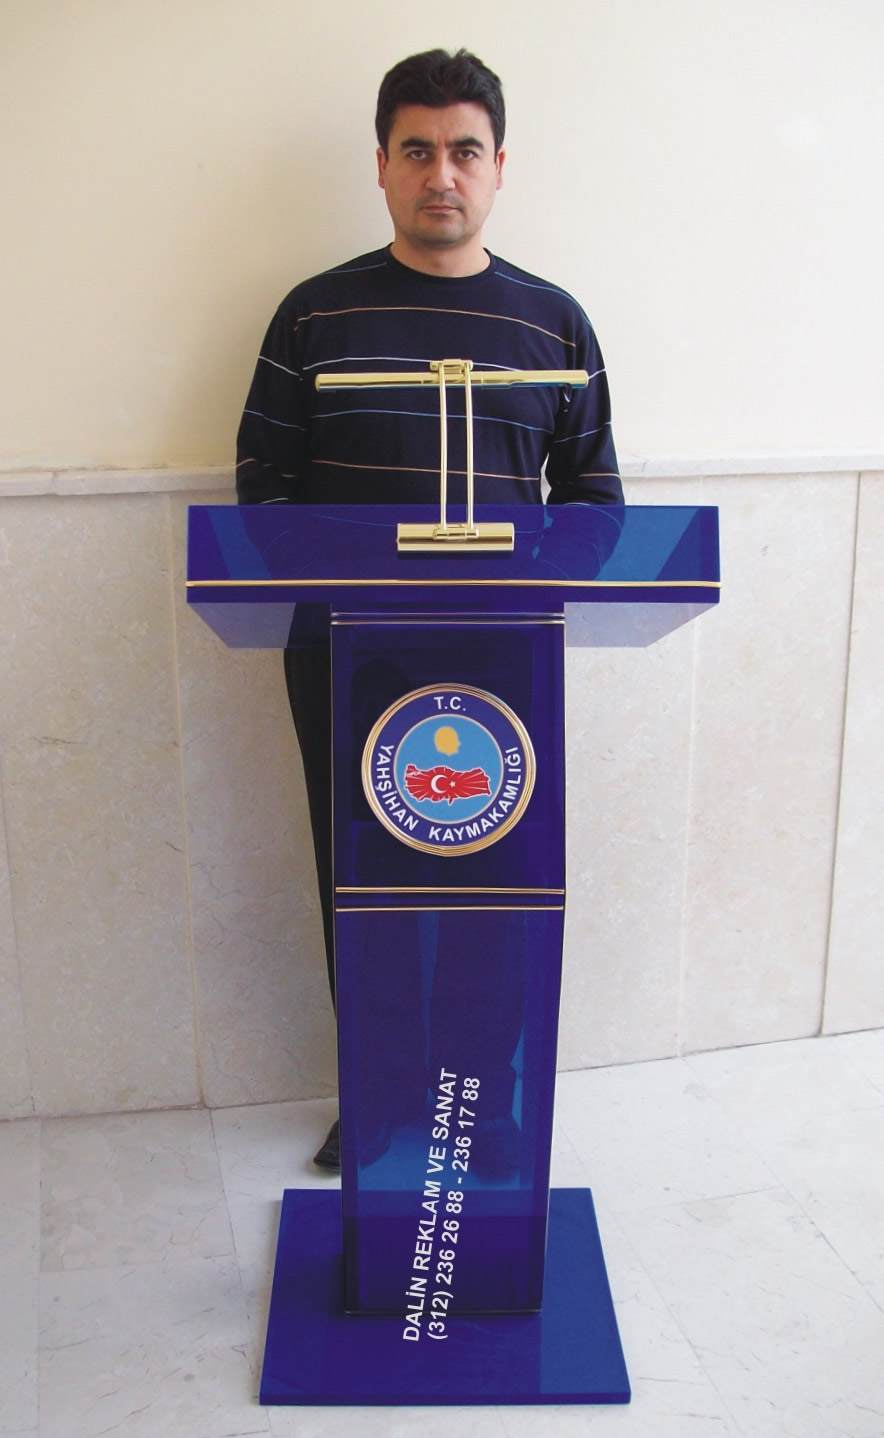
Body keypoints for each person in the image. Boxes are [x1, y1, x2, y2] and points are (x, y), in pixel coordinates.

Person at [236, 48, 623, 1170]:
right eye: (416, 150)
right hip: (347, 655)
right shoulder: (315, 315)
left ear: (498, 166)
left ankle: (480, 1106)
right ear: (381, 165)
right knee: (363, 884)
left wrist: (526, 576)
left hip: (501, 657)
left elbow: (595, 505)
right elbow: (262, 490)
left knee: (490, 890)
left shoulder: (553, 325)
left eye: (463, 151)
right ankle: (379, 1097)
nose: (439, 174)